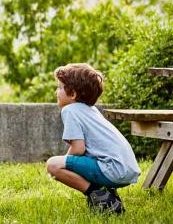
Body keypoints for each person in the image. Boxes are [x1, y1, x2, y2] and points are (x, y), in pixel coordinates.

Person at [46, 63, 141, 214]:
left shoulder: (69, 110)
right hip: (126, 169)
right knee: (67, 162)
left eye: (60, 87)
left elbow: (78, 149)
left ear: (73, 94)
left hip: (113, 170)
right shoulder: (91, 110)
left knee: (53, 165)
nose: (56, 91)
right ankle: (109, 196)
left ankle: (100, 196)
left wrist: (64, 164)